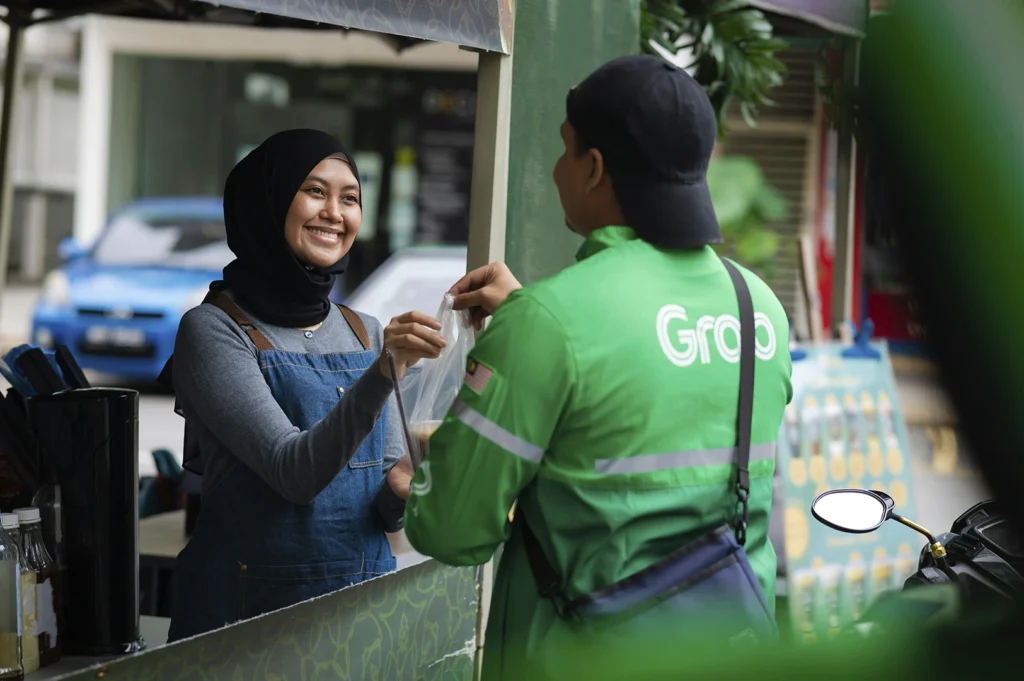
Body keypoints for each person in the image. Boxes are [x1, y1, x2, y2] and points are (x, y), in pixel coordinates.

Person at [403, 55, 794, 679]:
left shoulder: (549, 323)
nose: (557, 169)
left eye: (564, 150)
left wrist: (419, 486)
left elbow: (452, 531)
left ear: (594, 168)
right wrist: (537, 326)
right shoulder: (759, 308)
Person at [166, 129, 441, 641]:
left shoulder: (366, 330)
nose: (335, 212)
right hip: (243, 624)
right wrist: (382, 373)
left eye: (350, 197)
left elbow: (384, 509)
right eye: (315, 191)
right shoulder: (213, 330)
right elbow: (293, 472)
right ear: (267, 202)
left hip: (358, 617)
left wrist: (407, 486)